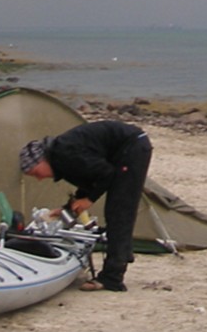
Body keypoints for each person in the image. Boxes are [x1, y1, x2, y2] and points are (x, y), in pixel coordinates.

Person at [19, 120, 152, 292]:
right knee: (117, 211)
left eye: (36, 173)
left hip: (132, 147)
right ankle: (121, 258)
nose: (39, 178)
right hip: (126, 148)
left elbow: (106, 174)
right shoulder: (61, 159)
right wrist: (68, 208)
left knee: (119, 211)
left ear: (41, 161)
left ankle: (112, 279)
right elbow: (89, 179)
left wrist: (89, 200)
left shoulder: (65, 154)